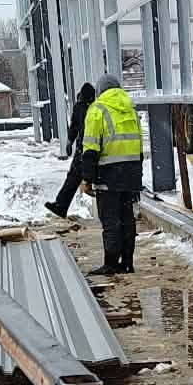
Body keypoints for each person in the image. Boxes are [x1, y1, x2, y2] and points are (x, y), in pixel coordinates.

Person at [79, 72, 144, 276]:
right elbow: (139, 144)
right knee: (127, 218)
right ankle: (127, 262)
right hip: (131, 173)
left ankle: (111, 264)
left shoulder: (97, 109)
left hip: (108, 173)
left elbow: (90, 149)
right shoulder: (130, 109)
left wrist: (86, 179)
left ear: (99, 91)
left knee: (110, 221)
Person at [45, 80, 97, 220]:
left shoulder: (83, 108)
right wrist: (69, 142)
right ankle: (61, 205)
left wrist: (70, 142)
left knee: (74, 177)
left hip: (85, 148)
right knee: (76, 176)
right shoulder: (89, 107)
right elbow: (75, 127)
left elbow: (74, 127)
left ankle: (61, 205)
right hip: (90, 148)